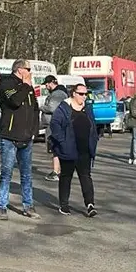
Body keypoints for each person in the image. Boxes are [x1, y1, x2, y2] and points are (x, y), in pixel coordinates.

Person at [0, 59, 41, 221]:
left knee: (26, 174)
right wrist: (26, 85)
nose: (30, 72)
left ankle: (28, 205)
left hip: (26, 137)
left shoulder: (28, 87)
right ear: (20, 70)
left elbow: (35, 109)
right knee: (6, 173)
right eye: (28, 69)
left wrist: (34, 131)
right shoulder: (7, 83)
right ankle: (2, 206)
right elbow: (14, 101)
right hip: (9, 136)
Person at [49, 83, 99, 217]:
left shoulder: (87, 108)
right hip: (68, 150)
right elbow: (55, 125)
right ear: (74, 93)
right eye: (81, 94)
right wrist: (62, 142)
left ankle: (90, 204)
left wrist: (94, 139)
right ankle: (64, 205)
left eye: (86, 94)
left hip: (85, 150)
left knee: (86, 177)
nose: (84, 96)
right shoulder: (64, 108)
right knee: (66, 177)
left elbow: (93, 125)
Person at [39, 75, 70, 181]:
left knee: (55, 148)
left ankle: (57, 171)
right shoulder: (60, 93)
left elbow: (52, 108)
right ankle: (58, 171)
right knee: (56, 148)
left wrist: (40, 107)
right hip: (56, 125)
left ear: (50, 83)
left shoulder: (57, 94)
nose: (46, 86)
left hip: (54, 126)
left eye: (46, 84)